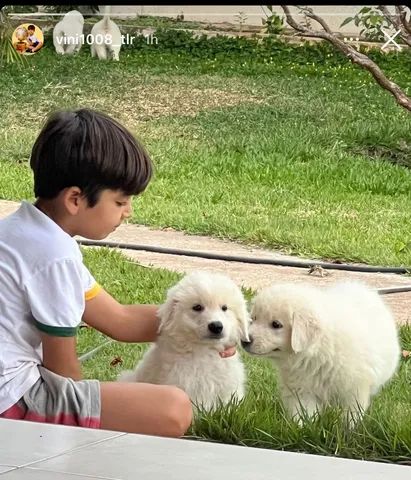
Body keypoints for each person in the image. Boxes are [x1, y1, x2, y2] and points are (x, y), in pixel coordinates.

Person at [0, 108, 236, 437]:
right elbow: (62, 370)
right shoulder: (54, 257)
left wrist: (208, 326)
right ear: (75, 199)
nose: (128, 213)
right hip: (13, 400)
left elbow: (120, 320)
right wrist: (80, 433)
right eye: (121, 202)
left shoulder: (22, 232)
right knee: (173, 408)